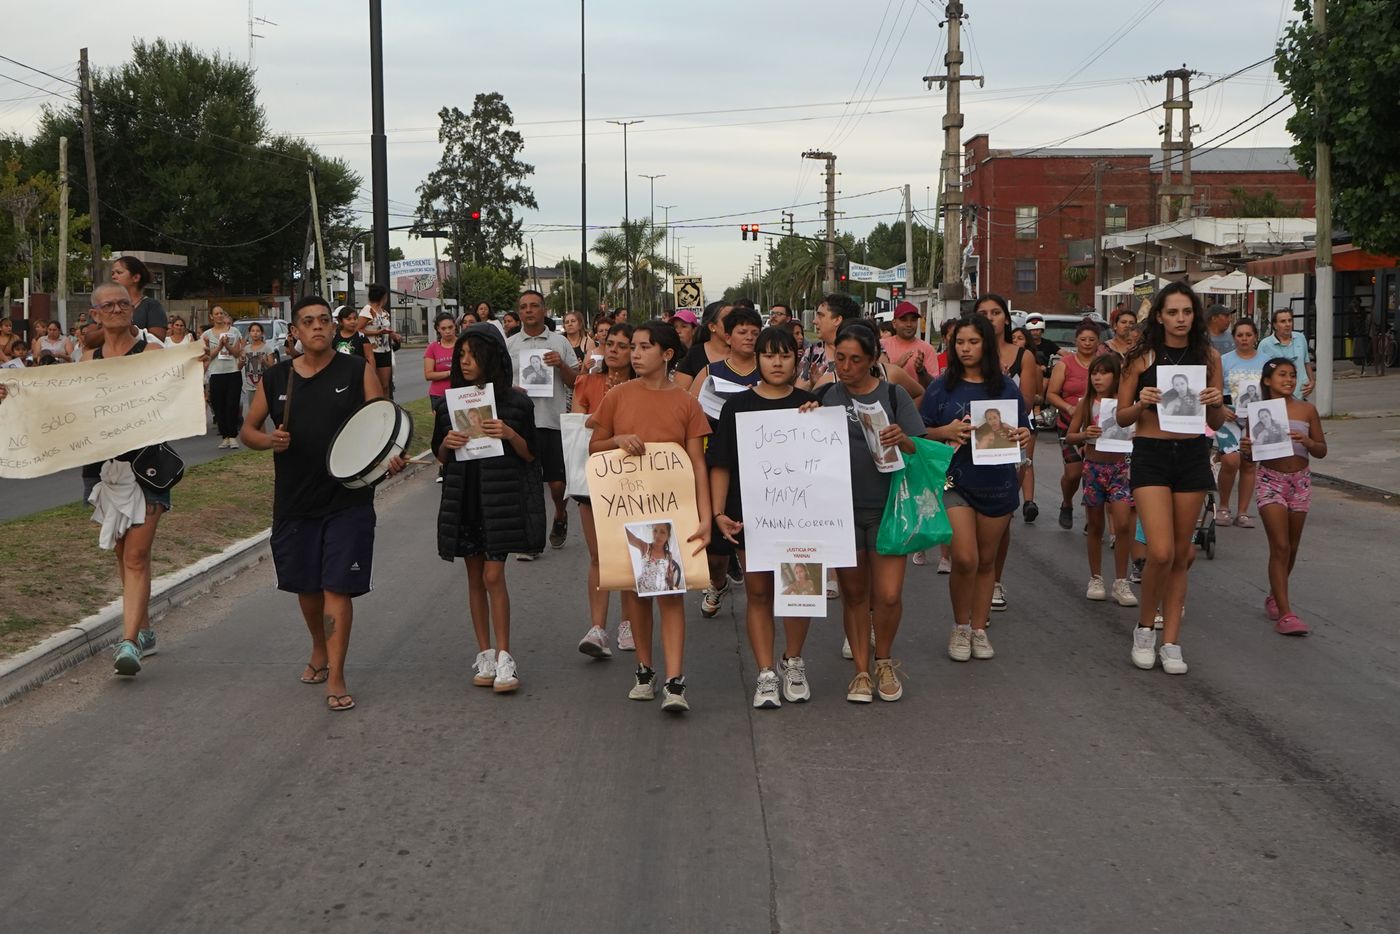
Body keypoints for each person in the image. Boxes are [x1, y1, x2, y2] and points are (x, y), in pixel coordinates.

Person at [241, 295, 404, 712]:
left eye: (323, 321)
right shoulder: (277, 378)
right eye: (308, 322)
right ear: (294, 332)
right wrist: (268, 441)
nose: (317, 327)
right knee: (308, 588)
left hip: (347, 498)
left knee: (336, 586)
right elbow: (248, 431)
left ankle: (336, 673)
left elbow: (380, 421)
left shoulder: (356, 369)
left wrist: (392, 456)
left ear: (333, 328)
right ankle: (319, 646)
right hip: (295, 499)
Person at [0, 285, 171, 675]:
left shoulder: (152, 353)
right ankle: (142, 628)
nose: (116, 310)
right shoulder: (87, 359)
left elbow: (168, 398)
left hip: (147, 466)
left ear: (133, 309)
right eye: (107, 305)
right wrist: (13, 396)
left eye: (123, 303)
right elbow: (62, 405)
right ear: (94, 314)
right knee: (120, 551)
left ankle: (128, 643)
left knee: (136, 556)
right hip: (102, 468)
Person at [586, 321, 712, 712]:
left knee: (670, 594)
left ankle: (675, 681)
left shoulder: (687, 403)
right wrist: (618, 440)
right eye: (632, 347)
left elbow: (697, 463)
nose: (634, 354)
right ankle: (644, 669)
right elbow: (594, 447)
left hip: (670, 516)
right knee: (638, 594)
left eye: (643, 347)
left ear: (667, 354)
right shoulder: (618, 396)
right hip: (628, 511)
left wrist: (706, 517)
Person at [806, 321, 923, 704]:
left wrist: (903, 439)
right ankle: (860, 670)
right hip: (841, 513)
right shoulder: (825, 397)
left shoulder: (893, 395)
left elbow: (920, 449)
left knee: (888, 595)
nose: (846, 366)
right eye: (840, 357)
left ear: (873, 360)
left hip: (888, 509)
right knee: (854, 594)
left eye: (856, 359)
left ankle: (884, 660)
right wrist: (805, 417)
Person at [1115, 281, 1226, 675]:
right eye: (1173, 312)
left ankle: (1172, 642)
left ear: (1194, 316)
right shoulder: (1141, 357)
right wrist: (1139, 402)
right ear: (1159, 316)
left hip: (1193, 455)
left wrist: (1217, 403)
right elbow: (1120, 416)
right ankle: (1145, 629)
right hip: (1151, 455)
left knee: (1181, 553)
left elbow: (1214, 421)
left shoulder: (1209, 357)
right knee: (1159, 551)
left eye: (1187, 312)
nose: (1181, 319)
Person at [708, 325, 817, 708]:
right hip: (751, 515)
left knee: (799, 589)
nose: (776, 362)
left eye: (785, 355)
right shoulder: (736, 406)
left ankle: (794, 660)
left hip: (804, 517)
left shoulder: (811, 404)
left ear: (796, 359)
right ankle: (766, 672)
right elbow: (719, 465)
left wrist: (817, 418)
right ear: (757, 359)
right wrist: (718, 513)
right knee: (758, 591)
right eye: (769, 354)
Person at [435, 323, 545, 694]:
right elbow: (440, 456)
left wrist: (510, 434)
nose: (465, 362)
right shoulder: (449, 402)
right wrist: (448, 444)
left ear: (491, 357)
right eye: (461, 355)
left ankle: (505, 655)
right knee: (473, 576)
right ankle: (484, 651)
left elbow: (531, 456)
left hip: (498, 499)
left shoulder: (516, 402)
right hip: (464, 497)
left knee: (494, 577)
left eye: (472, 355)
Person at [921, 314, 1030, 666]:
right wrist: (946, 430)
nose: (965, 349)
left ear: (986, 344)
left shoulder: (1006, 388)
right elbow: (919, 432)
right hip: (955, 482)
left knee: (986, 562)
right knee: (964, 558)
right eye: (960, 343)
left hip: (998, 483)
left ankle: (979, 628)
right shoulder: (942, 386)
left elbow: (1024, 431)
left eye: (973, 342)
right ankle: (960, 625)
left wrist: (1023, 435)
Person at [1241, 358, 1326, 636]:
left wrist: (1308, 442)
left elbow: (1321, 450)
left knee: (1292, 546)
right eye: (1281, 375)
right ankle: (1286, 613)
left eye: (1292, 375)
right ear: (1267, 380)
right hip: (1270, 480)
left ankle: (1274, 595)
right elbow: (1250, 455)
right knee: (1279, 545)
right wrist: (1246, 448)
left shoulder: (1307, 410)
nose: (1288, 380)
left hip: (1300, 481)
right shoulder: (1256, 412)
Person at [692, 306, 764, 618]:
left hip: (762, 468)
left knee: (756, 539)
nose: (749, 337)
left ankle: (762, 601)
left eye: (754, 332)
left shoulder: (770, 369)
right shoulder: (711, 373)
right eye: (742, 332)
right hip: (719, 462)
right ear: (727, 336)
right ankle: (717, 581)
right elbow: (691, 415)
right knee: (717, 551)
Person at [573, 323, 636, 659]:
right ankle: (597, 628)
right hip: (593, 477)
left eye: (623, 345)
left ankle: (628, 622)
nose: (614, 350)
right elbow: (579, 425)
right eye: (609, 343)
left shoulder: (642, 386)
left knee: (627, 554)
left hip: (632, 479)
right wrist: (608, 400)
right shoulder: (587, 381)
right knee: (598, 555)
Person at [974, 293, 1040, 614]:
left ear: (1006, 317)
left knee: (1002, 516)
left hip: (1006, 440)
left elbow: (1025, 404)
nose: (990, 317)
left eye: (996, 312)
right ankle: (975, 577)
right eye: (983, 312)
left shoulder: (1021, 356)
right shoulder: (966, 349)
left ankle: (994, 578)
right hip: (969, 440)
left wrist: (1000, 383)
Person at [506, 290, 578, 555]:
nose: (528, 310)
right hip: (522, 424)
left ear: (544, 310)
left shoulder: (559, 343)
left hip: (552, 421)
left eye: (534, 306)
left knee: (557, 484)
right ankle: (530, 539)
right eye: (523, 306)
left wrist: (560, 365)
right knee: (526, 484)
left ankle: (560, 513)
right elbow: (501, 382)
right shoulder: (510, 344)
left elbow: (575, 382)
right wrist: (512, 390)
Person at [1065, 355, 1138, 606]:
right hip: (1094, 469)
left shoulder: (1126, 404)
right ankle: (1096, 577)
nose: (1098, 377)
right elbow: (1070, 436)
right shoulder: (1086, 403)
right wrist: (1085, 434)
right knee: (1095, 526)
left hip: (1121, 468)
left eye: (1104, 373)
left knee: (1123, 524)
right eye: (1094, 373)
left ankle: (1120, 581)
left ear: (1115, 376)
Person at [1046, 320, 1102, 529]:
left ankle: (1092, 517)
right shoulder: (1065, 364)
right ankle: (1067, 502)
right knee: (1074, 473)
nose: (1087, 343)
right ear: (1076, 341)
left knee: (1093, 472)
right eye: (1083, 339)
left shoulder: (1104, 363)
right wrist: (1068, 408)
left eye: (1092, 340)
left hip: (1096, 425)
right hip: (1069, 423)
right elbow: (1051, 394)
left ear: (1098, 342)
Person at [1217, 318, 1264, 526]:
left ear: (1255, 337)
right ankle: (1224, 506)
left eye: (1248, 335)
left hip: (1256, 417)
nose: (1244, 339)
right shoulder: (1223, 360)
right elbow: (1214, 389)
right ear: (1234, 337)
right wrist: (1221, 409)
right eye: (1240, 335)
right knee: (1230, 460)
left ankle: (1243, 512)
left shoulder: (1267, 360)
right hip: (1229, 414)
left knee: (1249, 462)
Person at [81, 255, 168, 349]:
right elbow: (89, 340)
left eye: (119, 272)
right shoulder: (104, 304)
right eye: (112, 273)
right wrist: (113, 328)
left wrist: (130, 329)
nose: (114, 276)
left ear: (136, 278)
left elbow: (158, 342)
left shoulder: (151, 305)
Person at [201, 307, 245, 449]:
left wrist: (227, 345)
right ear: (211, 317)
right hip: (216, 373)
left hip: (232, 371)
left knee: (232, 404)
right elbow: (208, 357)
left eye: (221, 313)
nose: (219, 316)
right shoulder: (206, 335)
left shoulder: (234, 331)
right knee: (219, 406)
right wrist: (220, 346)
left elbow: (237, 353)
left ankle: (232, 436)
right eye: (216, 314)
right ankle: (225, 435)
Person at [797, 294, 859, 390]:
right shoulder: (812, 352)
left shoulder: (863, 351)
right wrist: (813, 384)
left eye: (820, 316)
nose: (814, 321)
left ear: (837, 320)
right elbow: (798, 391)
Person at [423, 314, 457, 481]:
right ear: (437, 329)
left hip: (459, 394)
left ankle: (458, 463)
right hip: (438, 395)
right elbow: (428, 374)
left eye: (450, 327)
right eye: (443, 328)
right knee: (442, 431)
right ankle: (443, 466)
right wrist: (450, 373)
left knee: (460, 428)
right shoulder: (433, 348)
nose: (447, 331)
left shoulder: (462, 344)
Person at [1257, 308, 1315, 400]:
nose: (1287, 324)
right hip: (1278, 396)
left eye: (1290, 320)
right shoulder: (1265, 345)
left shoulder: (1300, 338)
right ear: (1275, 325)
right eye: (1283, 321)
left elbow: (1306, 362)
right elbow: (1260, 372)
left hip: (1301, 394)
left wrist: (1312, 381)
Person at [881, 301, 940, 388]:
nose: (909, 324)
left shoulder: (927, 349)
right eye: (903, 320)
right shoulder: (881, 346)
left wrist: (921, 371)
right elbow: (874, 379)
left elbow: (934, 386)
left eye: (913, 320)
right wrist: (897, 366)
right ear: (894, 323)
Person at [678, 301, 733, 384]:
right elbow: (681, 393)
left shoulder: (746, 353)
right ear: (712, 327)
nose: (734, 324)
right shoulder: (695, 354)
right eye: (728, 320)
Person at [358, 284, 397, 397]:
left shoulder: (384, 312)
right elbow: (358, 330)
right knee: (374, 383)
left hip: (385, 350)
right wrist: (376, 333)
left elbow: (385, 329)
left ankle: (387, 405)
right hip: (372, 351)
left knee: (385, 384)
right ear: (383, 296)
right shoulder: (367, 311)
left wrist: (393, 334)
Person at [240, 322, 281, 416]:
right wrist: (242, 358)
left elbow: (272, 367)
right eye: (253, 331)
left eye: (258, 331)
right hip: (250, 385)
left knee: (261, 414)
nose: (255, 333)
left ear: (262, 333)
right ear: (249, 333)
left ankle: (261, 431)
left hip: (264, 385)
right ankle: (256, 430)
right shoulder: (246, 349)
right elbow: (240, 366)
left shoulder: (267, 348)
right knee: (253, 413)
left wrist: (264, 362)